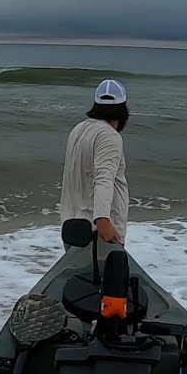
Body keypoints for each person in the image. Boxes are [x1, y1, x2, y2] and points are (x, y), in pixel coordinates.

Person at [59, 78, 129, 250]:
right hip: (97, 231)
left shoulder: (78, 129)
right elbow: (103, 179)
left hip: (71, 225)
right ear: (123, 111)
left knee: (80, 275)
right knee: (104, 275)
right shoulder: (109, 136)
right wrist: (103, 221)